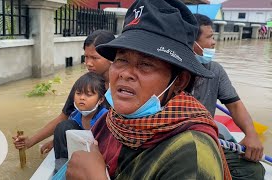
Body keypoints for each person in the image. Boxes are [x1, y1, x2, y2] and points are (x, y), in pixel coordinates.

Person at [66, 0, 232, 179]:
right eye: (121, 60)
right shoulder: (110, 122)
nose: (125, 74)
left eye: (146, 64)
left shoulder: (192, 154)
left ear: (179, 81)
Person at [13, 30, 115, 153]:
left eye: (94, 58)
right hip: (84, 140)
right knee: (64, 127)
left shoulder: (121, 87)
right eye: (86, 57)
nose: (88, 63)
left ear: (111, 57)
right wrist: (31, 142)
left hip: (108, 143)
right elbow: (63, 117)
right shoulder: (83, 85)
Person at [192, 14, 265, 179]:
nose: (214, 42)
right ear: (191, 41)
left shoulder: (215, 70)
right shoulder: (169, 70)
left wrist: (251, 134)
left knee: (253, 171)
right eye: (210, 37)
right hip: (179, 139)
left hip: (208, 137)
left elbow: (235, 105)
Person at [53, 72, 108, 159]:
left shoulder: (106, 118)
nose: (82, 98)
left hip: (99, 157)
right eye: (78, 93)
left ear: (100, 99)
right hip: (79, 155)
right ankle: (62, 167)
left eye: (88, 95)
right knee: (62, 127)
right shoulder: (74, 116)